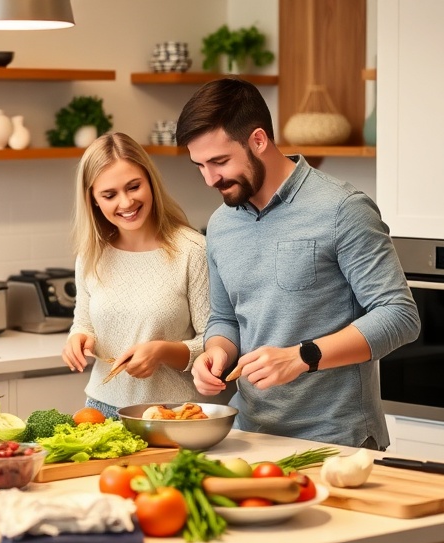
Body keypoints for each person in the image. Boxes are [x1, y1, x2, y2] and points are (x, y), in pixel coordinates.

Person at [175, 78, 420, 449]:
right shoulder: (222, 224)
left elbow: (399, 315)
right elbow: (225, 318)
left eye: (219, 161)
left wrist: (304, 357)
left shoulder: (342, 208)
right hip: (249, 434)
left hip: (337, 439)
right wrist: (216, 353)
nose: (210, 178)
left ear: (258, 140)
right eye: (199, 166)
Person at [61, 132, 215, 420]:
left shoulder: (192, 251)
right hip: (99, 408)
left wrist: (162, 352)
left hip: (172, 413)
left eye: (134, 187)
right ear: (93, 200)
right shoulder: (91, 254)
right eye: (109, 195)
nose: (126, 202)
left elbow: (213, 343)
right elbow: (83, 324)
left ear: (151, 183)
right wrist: (79, 339)